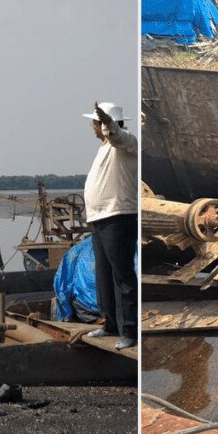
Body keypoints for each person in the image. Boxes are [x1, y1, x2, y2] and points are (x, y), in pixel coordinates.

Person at [81, 102, 138, 350]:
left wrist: (108, 124)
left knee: (123, 276)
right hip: (98, 218)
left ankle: (130, 331)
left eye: (94, 123)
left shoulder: (126, 145)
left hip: (118, 217)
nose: (92, 128)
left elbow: (117, 136)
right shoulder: (104, 149)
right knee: (103, 274)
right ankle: (111, 323)